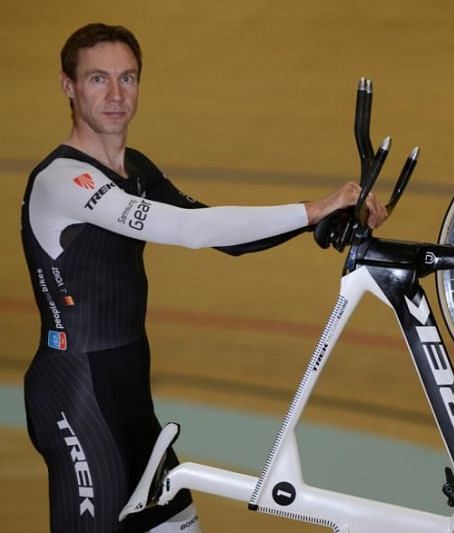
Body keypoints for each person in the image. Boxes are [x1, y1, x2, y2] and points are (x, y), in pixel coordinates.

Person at [21, 22, 386, 533]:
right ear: (69, 86)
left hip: (128, 392)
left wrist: (320, 221)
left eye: (127, 79)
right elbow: (190, 230)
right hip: (76, 394)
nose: (115, 95)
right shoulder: (62, 181)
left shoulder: (137, 170)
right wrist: (314, 207)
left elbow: (224, 234)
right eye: (98, 79)